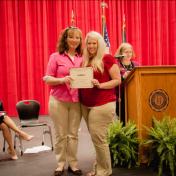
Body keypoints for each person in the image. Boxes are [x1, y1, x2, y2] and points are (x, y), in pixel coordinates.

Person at [43, 26, 83, 176]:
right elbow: (48, 78)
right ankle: (60, 165)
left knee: (73, 134)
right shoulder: (56, 56)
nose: (74, 40)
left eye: (77, 37)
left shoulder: (83, 58)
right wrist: (61, 80)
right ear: (65, 39)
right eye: (71, 37)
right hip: (58, 100)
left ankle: (73, 164)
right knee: (61, 134)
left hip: (76, 101)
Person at [81, 31, 121, 176]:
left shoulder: (107, 58)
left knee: (98, 137)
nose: (91, 46)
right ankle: (98, 168)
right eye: (89, 43)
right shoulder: (86, 59)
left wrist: (100, 85)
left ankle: (105, 171)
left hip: (103, 103)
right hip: (86, 104)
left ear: (100, 44)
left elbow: (117, 80)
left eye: (94, 43)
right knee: (96, 138)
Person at [114, 43, 141, 125]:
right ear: (121, 53)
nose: (129, 54)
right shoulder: (116, 66)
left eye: (130, 52)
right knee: (123, 121)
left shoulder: (136, 65)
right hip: (122, 97)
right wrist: (123, 77)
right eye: (126, 52)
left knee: (135, 118)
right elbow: (114, 82)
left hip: (135, 96)